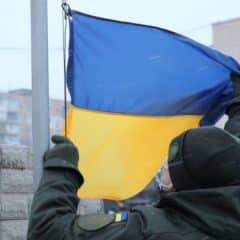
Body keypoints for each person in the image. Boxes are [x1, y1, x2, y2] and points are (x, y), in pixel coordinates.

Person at [27, 79, 240, 240]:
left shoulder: (151, 230)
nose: (162, 170)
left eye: (168, 166)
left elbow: (47, 232)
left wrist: (62, 169)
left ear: (185, 181)